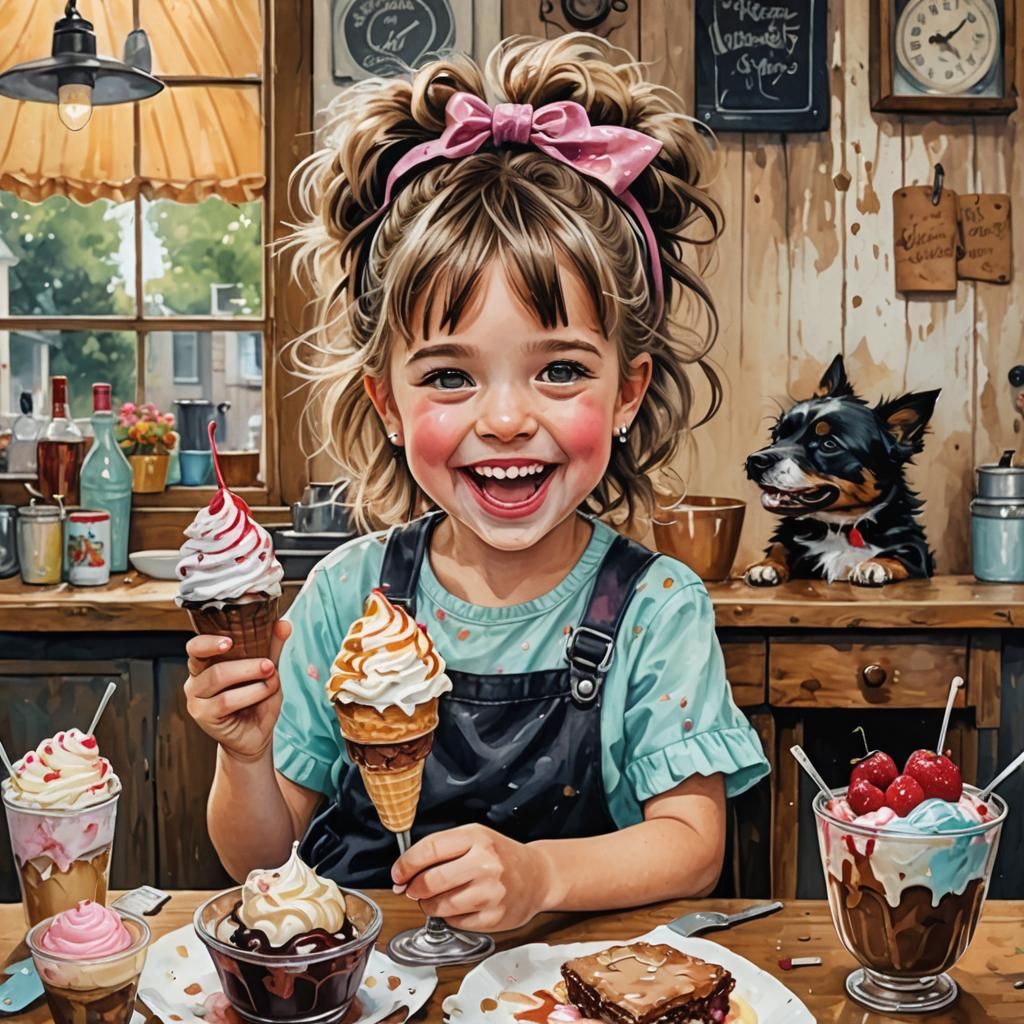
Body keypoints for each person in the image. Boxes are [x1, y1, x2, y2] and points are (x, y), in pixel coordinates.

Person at [184, 32, 770, 933]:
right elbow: (261, 858)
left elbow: (692, 844)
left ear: (629, 392)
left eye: (562, 371)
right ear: (385, 400)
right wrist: (246, 757)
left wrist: (539, 877)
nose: (504, 420)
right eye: (450, 377)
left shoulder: (657, 607)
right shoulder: (348, 595)